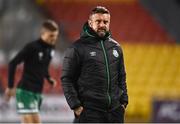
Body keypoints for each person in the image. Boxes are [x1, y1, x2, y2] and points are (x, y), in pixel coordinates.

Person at [61, 6, 128, 123]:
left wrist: (123, 101)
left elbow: (121, 76)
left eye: (105, 22)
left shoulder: (116, 47)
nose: (102, 25)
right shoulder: (77, 48)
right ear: (90, 23)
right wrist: (76, 106)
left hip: (115, 112)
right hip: (89, 113)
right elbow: (66, 79)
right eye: (98, 21)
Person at [4, 20, 59, 123]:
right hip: (25, 90)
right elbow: (13, 63)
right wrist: (10, 86)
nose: (54, 38)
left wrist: (48, 78)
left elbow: (44, 66)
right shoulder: (32, 47)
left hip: (37, 91)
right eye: (51, 36)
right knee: (30, 121)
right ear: (43, 33)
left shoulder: (51, 48)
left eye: (56, 36)